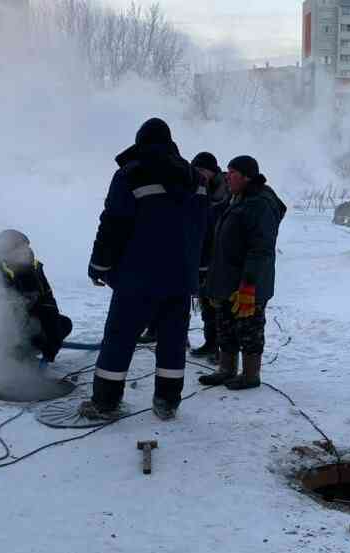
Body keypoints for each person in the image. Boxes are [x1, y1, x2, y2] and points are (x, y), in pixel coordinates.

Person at [81, 117, 208, 420]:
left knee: (120, 338)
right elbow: (204, 230)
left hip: (138, 278)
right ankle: (167, 403)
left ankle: (105, 403)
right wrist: (198, 271)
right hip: (180, 279)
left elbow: (113, 224)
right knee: (173, 342)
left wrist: (99, 265)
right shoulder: (196, 180)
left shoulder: (130, 175)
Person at [199, 155, 286, 390]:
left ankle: (250, 375)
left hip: (248, 282)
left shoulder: (260, 203)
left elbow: (260, 250)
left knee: (249, 328)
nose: (227, 176)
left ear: (247, 176)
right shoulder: (236, 198)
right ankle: (226, 369)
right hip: (228, 280)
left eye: (233, 172)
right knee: (225, 325)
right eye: (227, 172)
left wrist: (249, 285)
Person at [0, 229, 72, 364]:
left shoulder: (35, 270)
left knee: (63, 324)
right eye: (19, 249)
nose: (25, 252)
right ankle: (9, 357)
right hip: (4, 332)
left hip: (28, 324)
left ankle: (28, 350)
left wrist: (53, 340)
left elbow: (48, 305)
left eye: (26, 248)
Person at [189, 151, 230, 363]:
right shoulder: (195, 187)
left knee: (220, 306)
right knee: (206, 303)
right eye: (196, 170)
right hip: (202, 254)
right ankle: (210, 342)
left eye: (202, 170)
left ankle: (222, 350)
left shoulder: (227, 191)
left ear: (213, 171)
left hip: (220, 255)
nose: (199, 174)